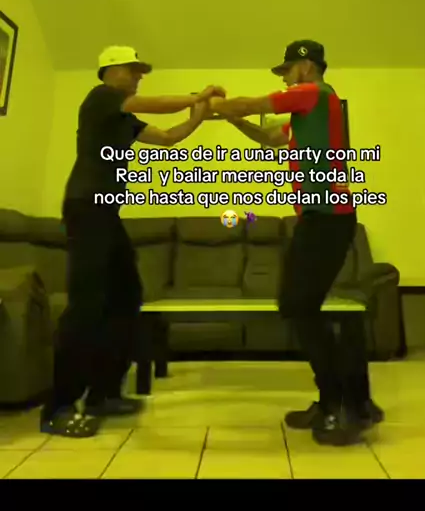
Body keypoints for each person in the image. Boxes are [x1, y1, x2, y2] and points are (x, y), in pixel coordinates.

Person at [41, 46, 224, 438]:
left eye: (140, 71)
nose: (139, 76)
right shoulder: (101, 97)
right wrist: (197, 96)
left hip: (106, 213)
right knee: (86, 306)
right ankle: (58, 407)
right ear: (111, 70)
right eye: (133, 70)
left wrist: (200, 112)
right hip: (86, 208)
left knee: (127, 297)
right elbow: (155, 104)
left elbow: (169, 137)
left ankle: (104, 394)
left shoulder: (124, 118)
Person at [208, 40, 383, 446]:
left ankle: (347, 405)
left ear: (305, 67)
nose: (285, 78)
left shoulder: (314, 94)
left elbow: (250, 104)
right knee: (298, 305)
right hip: (319, 219)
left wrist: (212, 103)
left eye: (287, 70)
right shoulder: (307, 118)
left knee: (299, 305)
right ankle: (341, 401)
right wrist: (231, 118)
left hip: (329, 218)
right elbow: (267, 136)